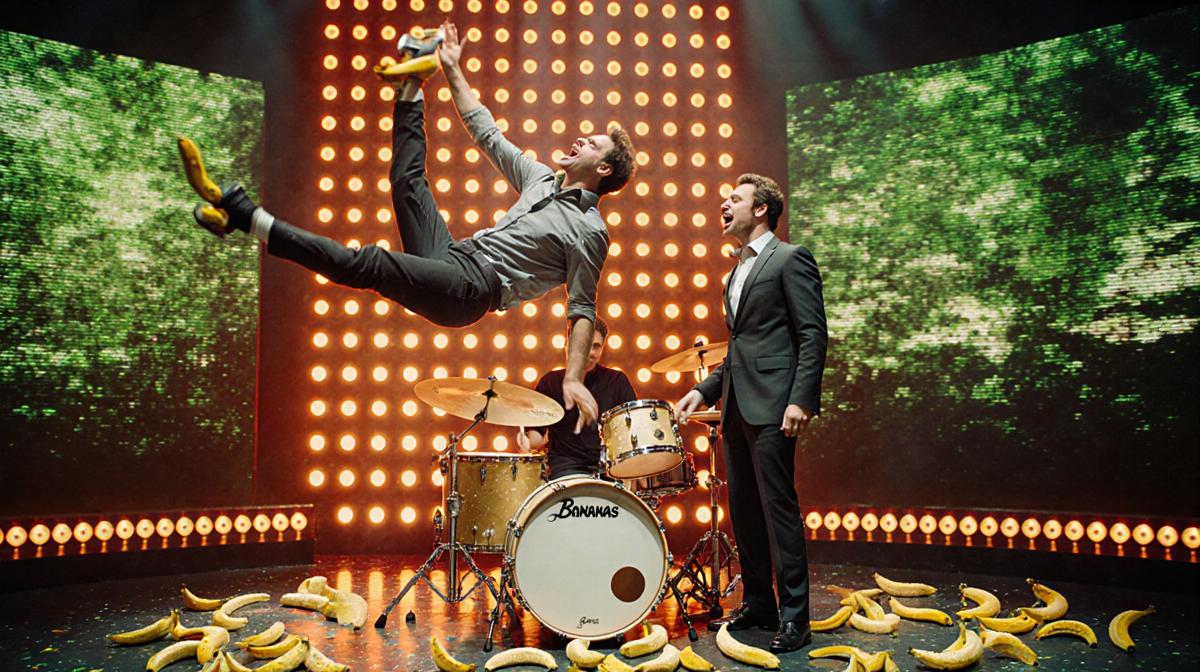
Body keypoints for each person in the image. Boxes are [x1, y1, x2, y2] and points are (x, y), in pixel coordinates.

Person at [190, 21, 635, 429]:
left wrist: (574, 379)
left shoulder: (589, 230)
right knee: (406, 183)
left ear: (602, 170)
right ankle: (412, 85)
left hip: (470, 289)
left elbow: (582, 309)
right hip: (455, 254)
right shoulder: (540, 178)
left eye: (592, 144)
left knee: (368, 264)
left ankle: (248, 218)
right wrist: (453, 68)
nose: (580, 139)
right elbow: (486, 132)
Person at [674, 173, 827, 654]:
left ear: (761, 210)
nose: (725, 202)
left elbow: (812, 334)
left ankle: (795, 616)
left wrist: (801, 399)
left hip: (775, 403)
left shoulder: (790, 258)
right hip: (737, 408)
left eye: (735, 198)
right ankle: (759, 602)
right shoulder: (736, 271)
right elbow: (740, 348)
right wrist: (704, 390)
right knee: (742, 508)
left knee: (777, 508)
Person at [516, 318, 637, 481]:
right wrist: (528, 442)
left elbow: (633, 430)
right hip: (565, 468)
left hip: (609, 468)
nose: (590, 352)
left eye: (596, 346)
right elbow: (537, 434)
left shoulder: (617, 381)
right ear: (568, 345)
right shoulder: (550, 383)